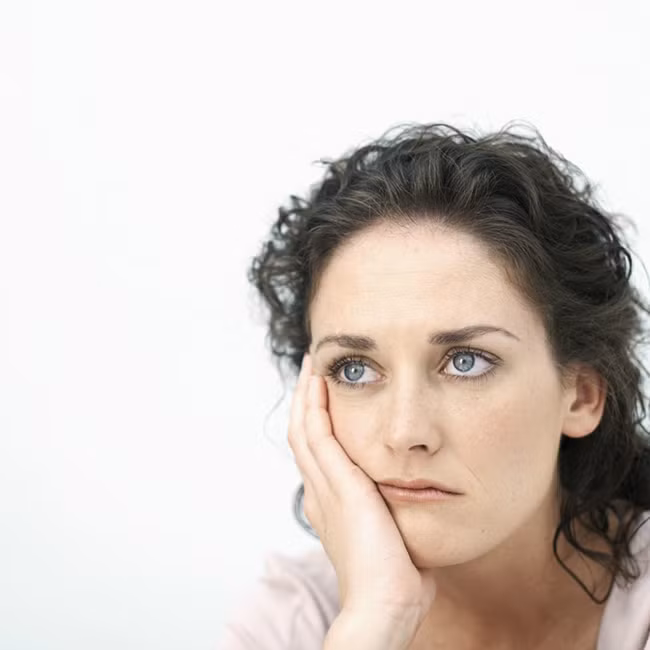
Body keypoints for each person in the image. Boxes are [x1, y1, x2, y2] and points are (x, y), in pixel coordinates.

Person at [221, 122, 650, 649]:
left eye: (466, 362)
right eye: (354, 369)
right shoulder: (293, 622)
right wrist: (378, 619)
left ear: (582, 393)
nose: (405, 433)